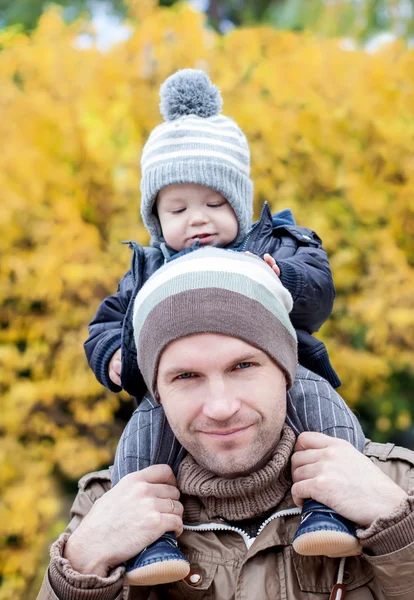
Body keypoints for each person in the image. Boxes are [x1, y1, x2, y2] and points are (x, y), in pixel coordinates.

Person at [83, 69, 364, 583]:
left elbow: (319, 290)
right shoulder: (147, 271)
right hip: (166, 398)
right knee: (141, 441)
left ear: (238, 202)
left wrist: (287, 277)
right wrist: (115, 356)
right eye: (178, 209)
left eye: (215, 204)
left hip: (286, 369)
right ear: (155, 218)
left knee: (326, 408)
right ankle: (149, 540)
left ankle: (332, 505)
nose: (198, 220)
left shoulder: (273, 243)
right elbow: (104, 325)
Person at [38, 248, 414, 600]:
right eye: (186, 376)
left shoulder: (398, 485)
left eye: (243, 366)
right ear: (157, 394)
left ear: (285, 371)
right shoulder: (106, 506)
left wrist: (403, 534)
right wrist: (82, 569)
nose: (220, 407)